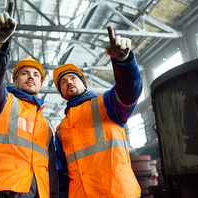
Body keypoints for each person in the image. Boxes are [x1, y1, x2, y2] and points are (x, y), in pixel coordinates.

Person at [0, 12, 58, 198]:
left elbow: (51, 166)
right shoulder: (1, 103)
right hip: (1, 190)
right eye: (25, 73)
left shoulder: (45, 124)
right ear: (15, 79)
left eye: (36, 75)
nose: (31, 77)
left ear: (41, 84)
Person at [52, 26, 142, 198]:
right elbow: (62, 173)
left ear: (84, 84)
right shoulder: (61, 130)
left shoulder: (106, 104)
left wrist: (123, 62)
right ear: (62, 93)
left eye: (73, 78)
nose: (68, 82)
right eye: (63, 82)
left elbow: (129, 91)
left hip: (117, 192)